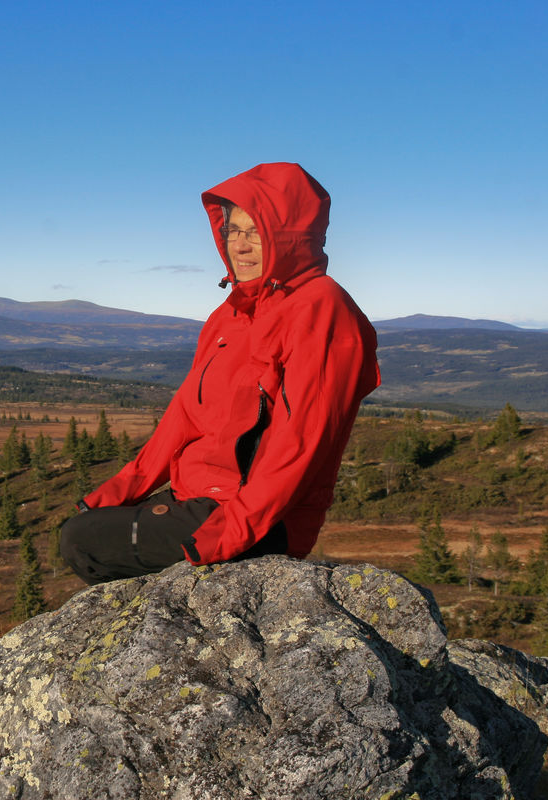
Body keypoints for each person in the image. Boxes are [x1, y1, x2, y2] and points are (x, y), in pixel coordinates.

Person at [59, 162, 379, 583]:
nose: (241, 246)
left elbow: (301, 439)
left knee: (84, 542)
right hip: (197, 498)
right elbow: (185, 416)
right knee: (84, 533)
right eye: (234, 230)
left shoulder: (321, 308)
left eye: (257, 232)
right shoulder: (227, 317)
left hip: (260, 518)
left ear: (291, 236)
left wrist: (233, 531)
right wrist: (123, 488)